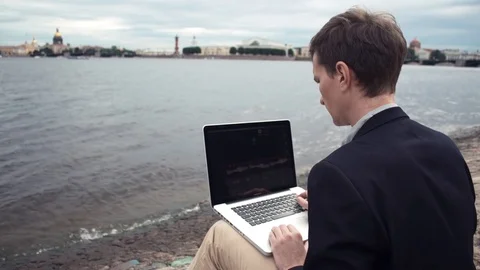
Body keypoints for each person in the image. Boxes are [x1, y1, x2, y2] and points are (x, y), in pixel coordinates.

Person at [188, 6, 477, 270]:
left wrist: (294, 264)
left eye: (318, 80)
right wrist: (340, 210)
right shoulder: (445, 148)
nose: (320, 98)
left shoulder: (337, 173)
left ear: (341, 75)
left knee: (220, 236)